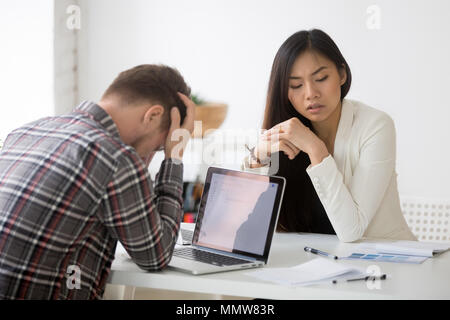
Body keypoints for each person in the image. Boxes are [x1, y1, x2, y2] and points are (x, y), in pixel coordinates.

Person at [0, 64, 195, 299]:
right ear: (152, 115)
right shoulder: (116, 158)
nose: (156, 151)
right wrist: (173, 158)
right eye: (160, 144)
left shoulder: (26, 132)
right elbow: (156, 255)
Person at [243, 29, 416, 243]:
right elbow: (246, 230)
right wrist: (258, 157)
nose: (310, 93)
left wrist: (316, 150)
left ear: (342, 74)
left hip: (384, 264)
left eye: (321, 78)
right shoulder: (284, 134)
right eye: (296, 85)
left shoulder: (376, 126)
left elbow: (352, 230)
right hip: (312, 265)